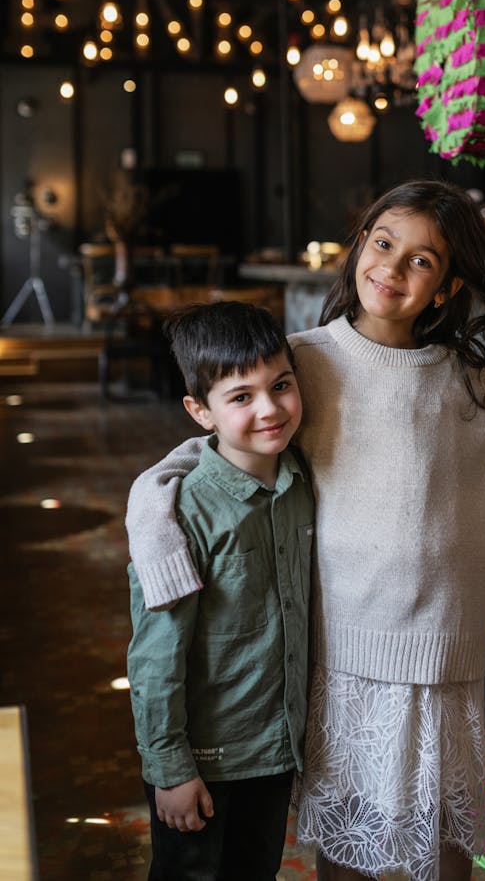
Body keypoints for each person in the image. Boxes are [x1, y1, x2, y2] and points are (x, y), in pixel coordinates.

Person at [126, 180, 485, 881]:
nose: (393, 267)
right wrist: (151, 517)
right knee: (349, 846)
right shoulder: (304, 361)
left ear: (444, 288)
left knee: (443, 846)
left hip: (442, 648)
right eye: (384, 243)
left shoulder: (463, 379)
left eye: (422, 261)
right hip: (344, 648)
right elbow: (206, 452)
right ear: (360, 246)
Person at [126, 301, 315, 881]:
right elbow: (157, 656)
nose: (269, 409)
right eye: (241, 397)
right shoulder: (177, 517)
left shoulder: (302, 482)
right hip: (204, 762)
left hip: (274, 749)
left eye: (281, 385)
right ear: (199, 411)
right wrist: (169, 768)